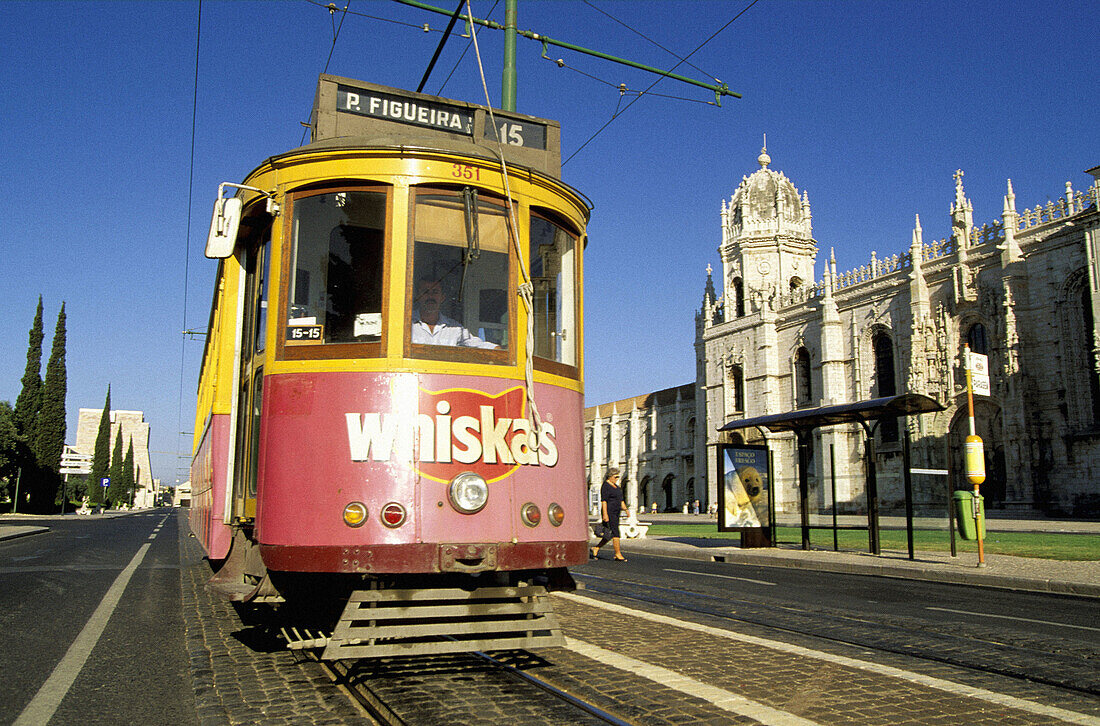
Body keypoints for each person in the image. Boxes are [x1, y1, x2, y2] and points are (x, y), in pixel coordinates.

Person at [411, 278, 498, 348]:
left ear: (442, 297)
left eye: (435, 292)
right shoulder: (406, 324)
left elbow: (477, 345)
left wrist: (497, 349)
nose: (430, 296)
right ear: (418, 296)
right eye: (426, 292)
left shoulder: (454, 327)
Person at [591, 468, 626, 562]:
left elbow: (621, 499)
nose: (617, 478)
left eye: (618, 477)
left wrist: (626, 509)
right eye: (616, 477)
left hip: (616, 512)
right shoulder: (605, 486)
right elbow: (604, 501)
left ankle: (596, 548)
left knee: (610, 534)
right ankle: (618, 554)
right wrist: (605, 514)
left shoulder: (616, 487)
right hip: (609, 512)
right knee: (616, 532)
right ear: (610, 476)